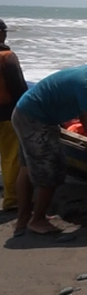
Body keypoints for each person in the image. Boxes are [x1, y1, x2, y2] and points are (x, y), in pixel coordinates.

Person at [13, 46, 87, 235]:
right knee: (53, 169)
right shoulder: (86, 82)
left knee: (27, 166)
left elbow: (83, 111)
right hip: (36, 120)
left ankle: (24, 218)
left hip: (25, 113)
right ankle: (37, 219)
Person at [0, 19, 28, 212]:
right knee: (11, 158)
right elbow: (19, 88)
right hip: (6, 114)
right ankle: (11, 200)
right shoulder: (7, 57)